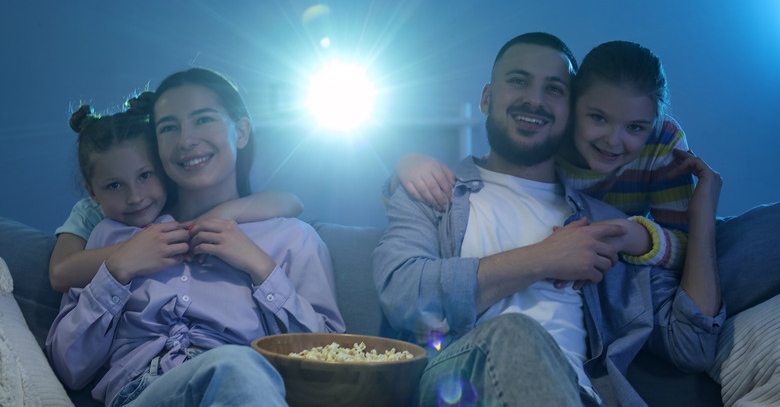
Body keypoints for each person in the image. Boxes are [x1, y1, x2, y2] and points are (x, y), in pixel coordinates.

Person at [372, 32, 724, 406]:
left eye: (554, 89)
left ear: (571, 112)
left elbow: (692, 345)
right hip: (458, 387)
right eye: (518, 81)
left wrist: (703, 214)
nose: (535, 100)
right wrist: (545, 257)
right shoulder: (432, 191)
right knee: (513, 334)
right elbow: (402, 295)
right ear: (487, 98)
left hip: (579, 396)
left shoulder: (602, 226)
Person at [391, 40, 779, 315]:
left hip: (645, 243)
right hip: (598, 251)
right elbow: (485, 182)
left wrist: (637, 233)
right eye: (598, 118)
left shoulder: (661, 142)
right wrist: (404, 166)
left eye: (635, 127)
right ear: (574, 107)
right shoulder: (547, 140)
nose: (613, 140)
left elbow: (687, 248)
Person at [47, 68, 345, 406]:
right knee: (236, 366)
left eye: (204, 119)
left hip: (243, 388)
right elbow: (68, 370)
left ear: (241, 132)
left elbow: (332, 368)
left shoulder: (293, 237)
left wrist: (262, 269)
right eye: (169, 128)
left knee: (237, 367)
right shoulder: (111, 234)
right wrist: (116, 272)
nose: (186, 140)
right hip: (141, 395)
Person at [49, 98, 305, 293]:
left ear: (162, 168)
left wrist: (219, 215)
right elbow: (60, 274)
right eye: (114, 185)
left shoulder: (174, 194)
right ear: (93, 192)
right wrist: (135, 249)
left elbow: (292, 202)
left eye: (145, 175)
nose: (135, 198)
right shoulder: (92, 211)